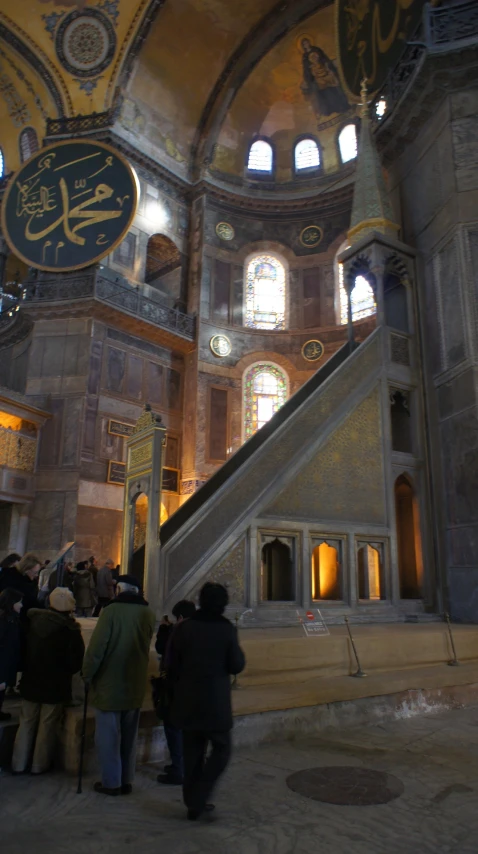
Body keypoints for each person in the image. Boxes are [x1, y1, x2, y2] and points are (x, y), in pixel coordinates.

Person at [169, 582, 245, 821]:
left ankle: (193, 803)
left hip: (188, 700)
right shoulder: (226, 629)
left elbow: (171, 664)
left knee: (192, 752)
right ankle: (200, 794)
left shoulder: (184, 628)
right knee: (222, 749)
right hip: (215, 702)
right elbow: (236, 665)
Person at [82, 574, 155, 796]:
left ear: (121, 589)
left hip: (109, 684)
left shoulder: (112, 611)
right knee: (129, 736)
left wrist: (87, 674)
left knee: (108, 737)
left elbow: (97, 648)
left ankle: (111, 782)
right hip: (134, 682)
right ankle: (126, 780)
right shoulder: (148, 613)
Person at [11, 587, 84, 774]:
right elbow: (75, 663)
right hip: (55, 685)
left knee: (26, 722)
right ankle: (38, 765)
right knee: (47, 726)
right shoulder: (70, 630)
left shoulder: (32, 623)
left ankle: (18, 763)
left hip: (31, 681)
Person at [157, 600, 196, 786]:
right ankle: (186, 767)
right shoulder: (201, 630)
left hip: (176, 688)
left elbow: (162, 649)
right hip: (194, 690)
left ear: (180, 617)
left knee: (173, 728)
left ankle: (178, 769)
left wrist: (164, 630)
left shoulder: (178, 632)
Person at [0, 589, 23, 721]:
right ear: (11, 603)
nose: (21, 605)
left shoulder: (11, 619)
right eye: (19, 602)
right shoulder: (5, 620)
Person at [0, 553, 42, 618]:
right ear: (26, 570)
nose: (37, 575)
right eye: (35, 572)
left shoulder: (31, 581)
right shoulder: (8, 577)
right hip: (10, 617)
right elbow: (29, 600)